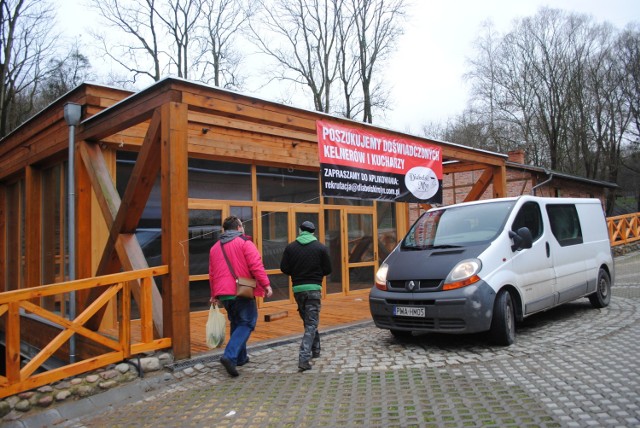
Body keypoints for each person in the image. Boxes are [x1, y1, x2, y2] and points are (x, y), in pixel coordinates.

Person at [209, 216, 273, 377]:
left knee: (237, 322)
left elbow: (212, 273)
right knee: (247, 322)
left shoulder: (215, 247)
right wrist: (266, 285)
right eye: (242, 225)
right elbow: (256, 265)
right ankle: (229, 356)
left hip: (224, 293)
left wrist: (214, 294)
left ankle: (240, 357)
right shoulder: (245, 243)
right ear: (238, 227)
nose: (243, 228)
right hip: (241, 290)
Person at [280, 221, 332, 371]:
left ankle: (316, 350)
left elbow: (284, 268)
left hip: (298, 289)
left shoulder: (290, 247)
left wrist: (296, 273)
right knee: (311, 323)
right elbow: (328, 269)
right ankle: (303, 358)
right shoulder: (321, 248)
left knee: (309, 321)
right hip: (314, 289)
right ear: (313, 232)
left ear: (300, 230)